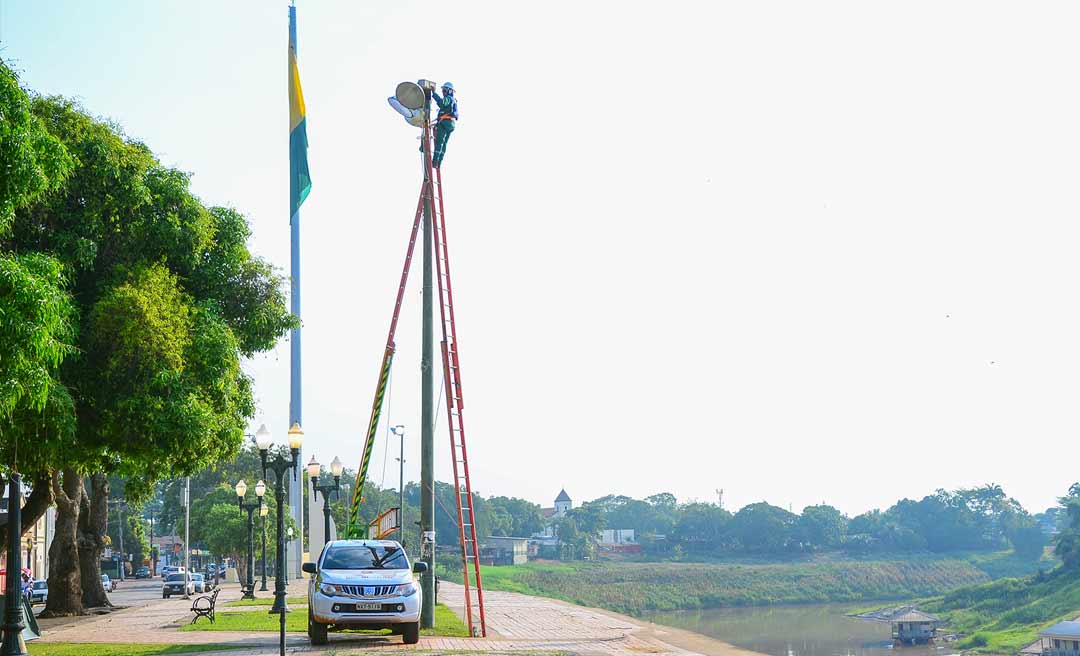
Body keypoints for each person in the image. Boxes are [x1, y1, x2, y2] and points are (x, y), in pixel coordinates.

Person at [431, 82, 458, 168]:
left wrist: (434, 94)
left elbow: (442, 103)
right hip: (451, 123)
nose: (443, 92)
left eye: (445, 90)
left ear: (450, 91)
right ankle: (439, 163)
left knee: (439, 142)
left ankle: (435, 161)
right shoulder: (453, 100)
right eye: (443, 90)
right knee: (444, 144)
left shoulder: (448, 99)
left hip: (445, 122)